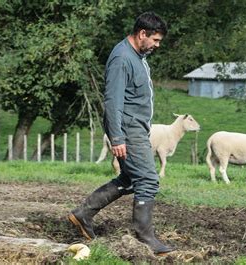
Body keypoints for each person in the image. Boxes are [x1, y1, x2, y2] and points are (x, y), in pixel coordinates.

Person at [68, 12, 173, 255]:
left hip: (137, 127)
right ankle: (144, 236)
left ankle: (83, 213)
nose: (157, 45)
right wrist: (117, 138)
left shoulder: (139, 55)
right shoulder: (122, 58)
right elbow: (112, 101)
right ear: (142, 34)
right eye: (155, 40)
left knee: (129, 178)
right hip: (128, 129)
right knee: (147, 180)